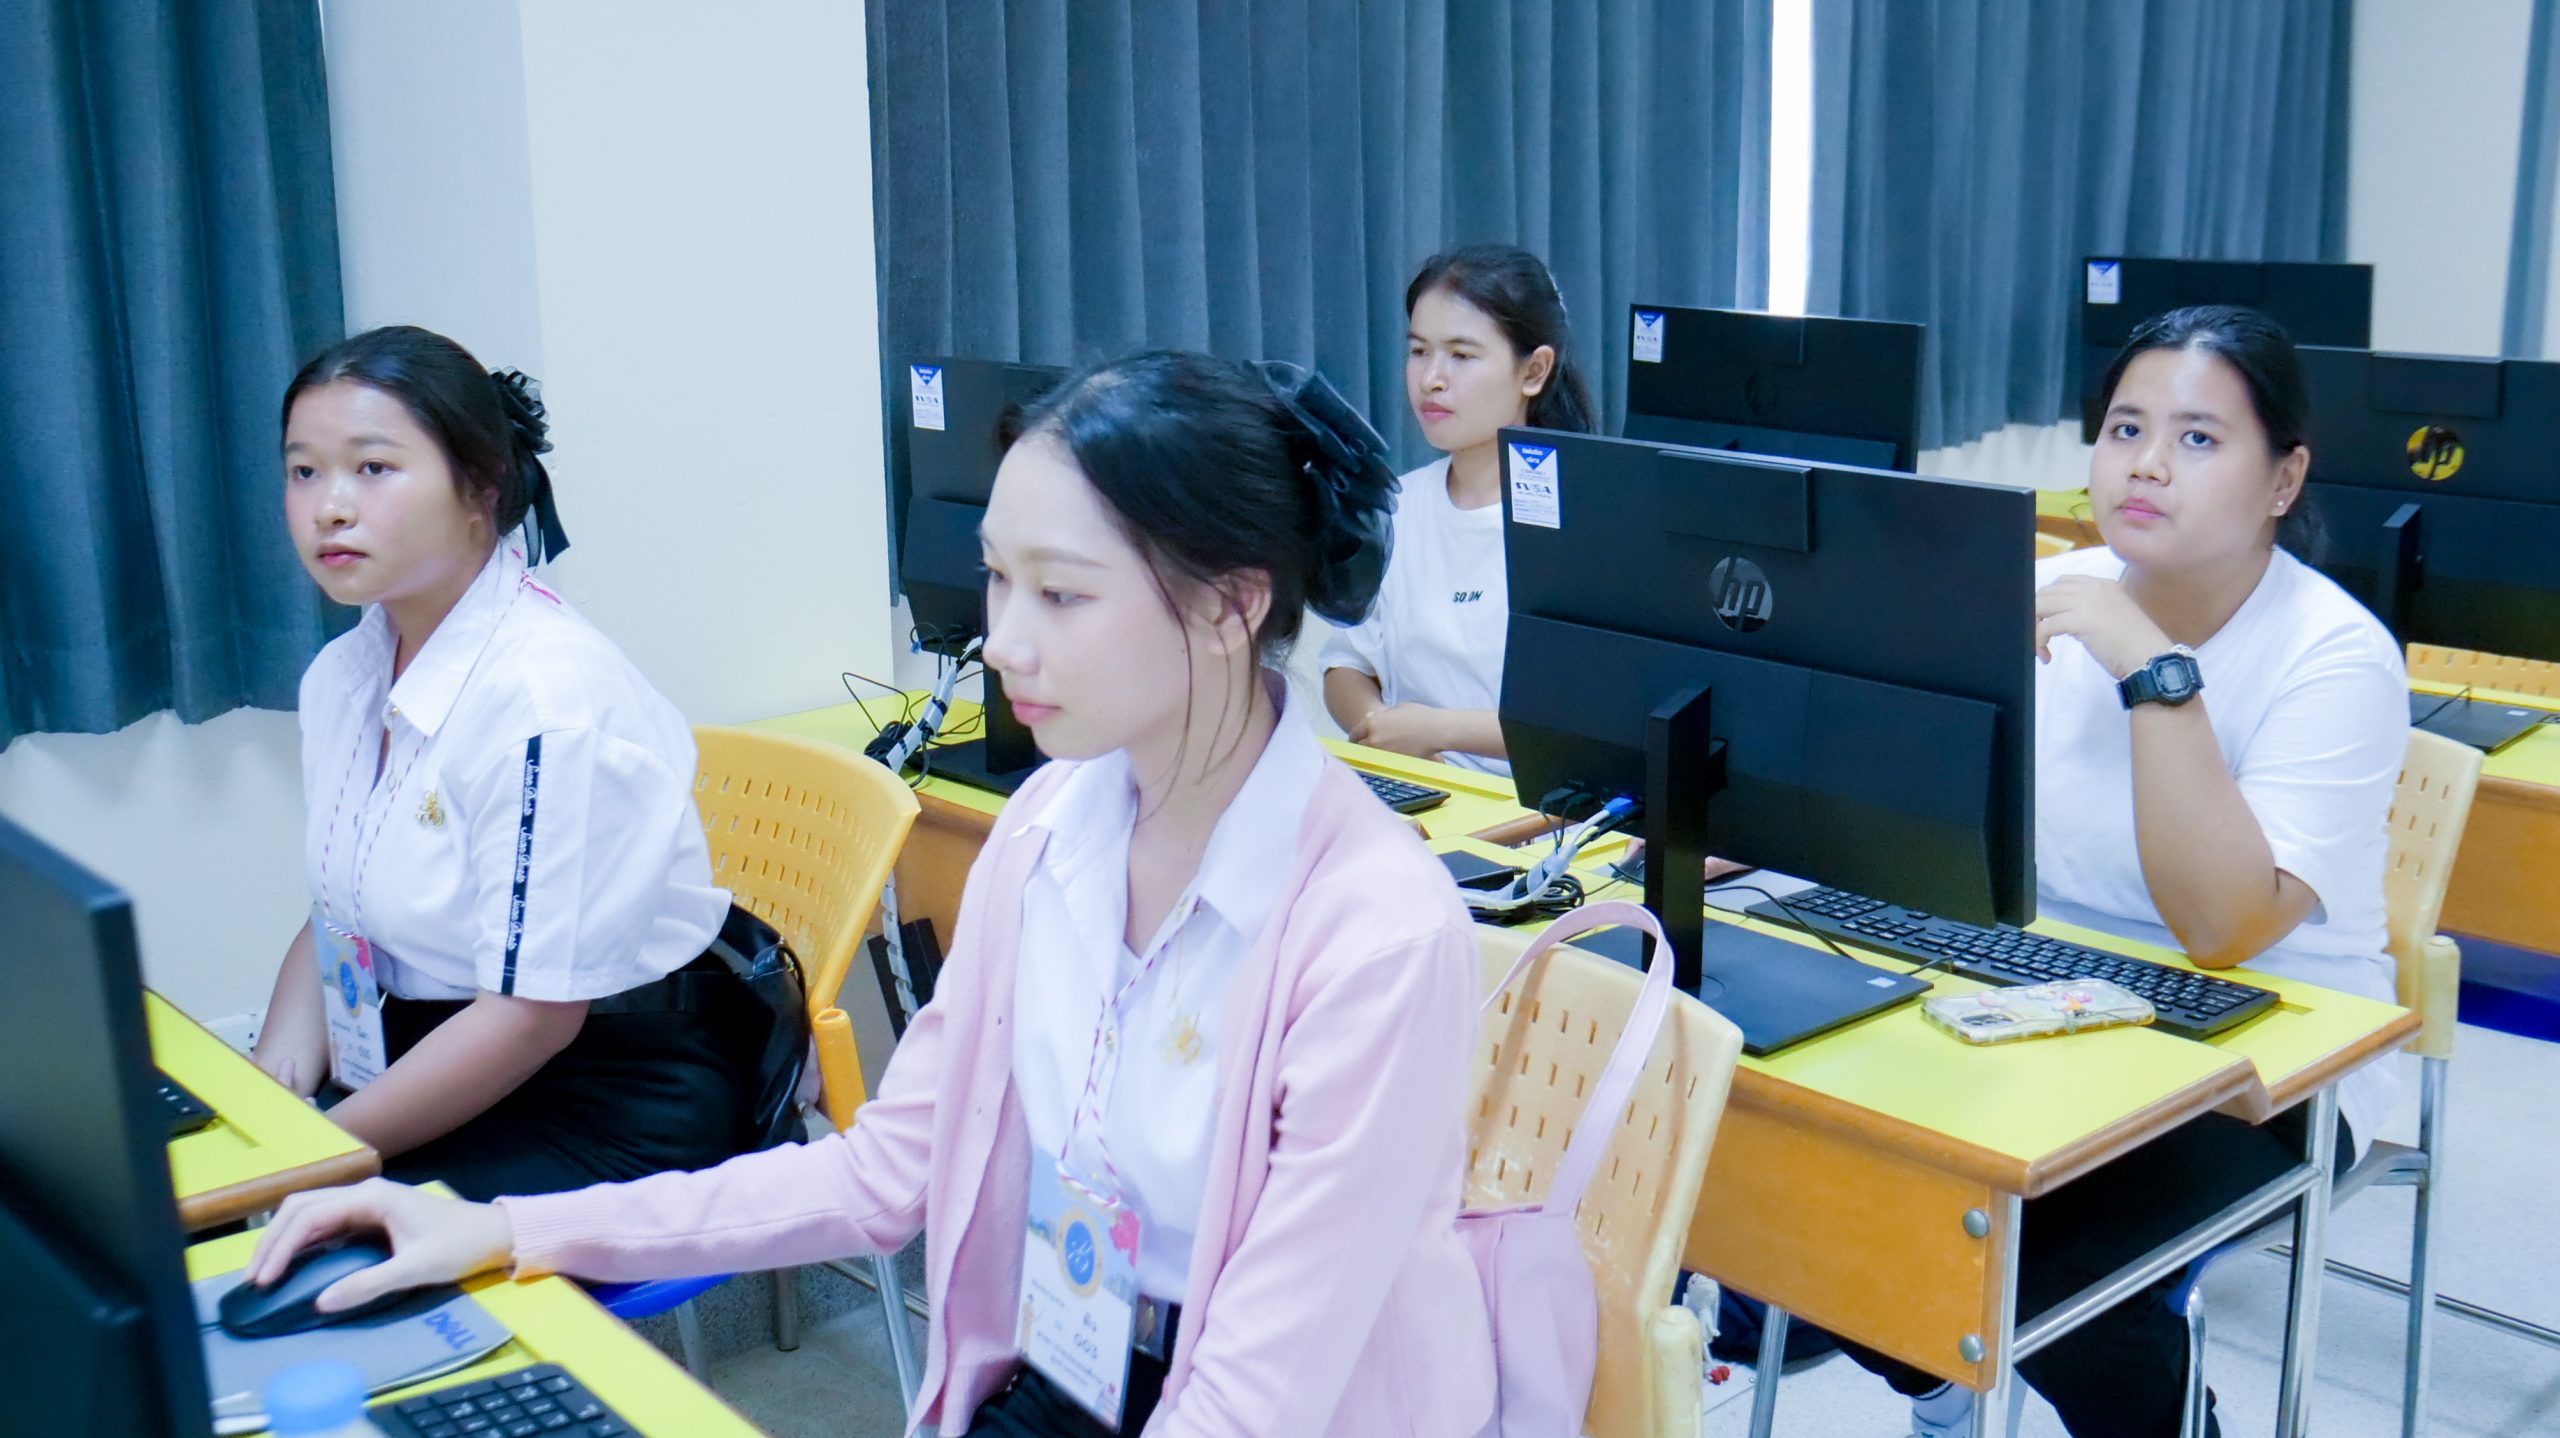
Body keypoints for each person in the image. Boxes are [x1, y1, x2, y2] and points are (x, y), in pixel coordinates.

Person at [245, 351, 1498, 1438]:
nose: (1002, 639)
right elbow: (882, 1174)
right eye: (996, 578)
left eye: (1059, 593)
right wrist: (512, 1231)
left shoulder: (1374, 934)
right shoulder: (1049, 832)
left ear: (1230, 605)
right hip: (1081, 1365)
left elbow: (1253, 1399)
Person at [1858, 306, 2406, 1438]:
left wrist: (2156, 672)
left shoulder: (2335, 655)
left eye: (2199, 438)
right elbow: (1927, 811)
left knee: (2054, 1272)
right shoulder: (2045, 588)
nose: (2147, 463)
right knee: (1820, 1175)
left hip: (2269, 1056)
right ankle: (1943, 1379)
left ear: (2283, 478)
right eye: (2125, 428)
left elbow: (2222, 928)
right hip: (2040, 998)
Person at [248, 325, 769, 1201]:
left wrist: (311, 1158)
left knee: (279, 1239)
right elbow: (336, 913)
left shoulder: (546, 704)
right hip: (437, 1048)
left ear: (481, 485)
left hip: (604, 1097)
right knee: (192, 1206)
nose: (330, 506)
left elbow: (531, 1019)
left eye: (373, 468)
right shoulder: (344, 675)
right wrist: (269, 1099)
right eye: (304, 471)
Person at [1322, 243, 1595, 774]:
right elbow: (1345, 665)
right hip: (1417, 792)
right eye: (1419, 351)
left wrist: (1437, 731)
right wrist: (1384, 729)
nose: (1431, 379)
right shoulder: (1395, 508)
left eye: (1461, 356)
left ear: (1534, 371)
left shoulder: (1587, 521)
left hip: (1538, 810)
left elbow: (1597, 724)